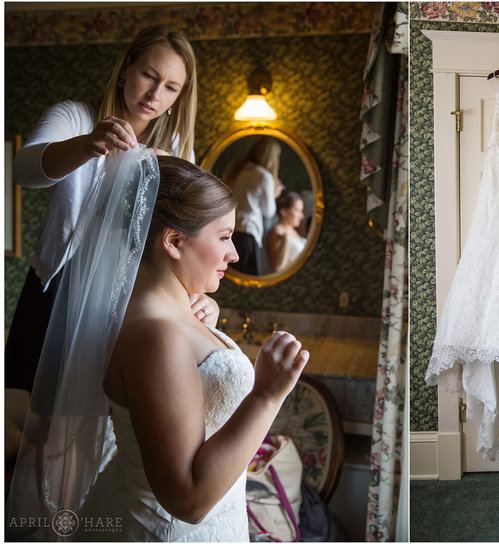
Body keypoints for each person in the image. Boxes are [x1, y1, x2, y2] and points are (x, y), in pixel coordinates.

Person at [6, 150, 308, 541]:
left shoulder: (166, 315)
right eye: (224, 237)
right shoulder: (156, 336)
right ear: (175, 241)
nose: (234, 254)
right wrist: (267, 396)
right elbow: (189, 499)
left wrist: (205, 323)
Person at [5, 25, 214, 396]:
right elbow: (22, 170)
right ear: (125, 68)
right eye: (149, 75)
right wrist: (87, 144)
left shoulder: (177, 148)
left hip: (125, 303)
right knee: (23, 423)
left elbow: (183, 235)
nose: (155, 94)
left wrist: (195, 296)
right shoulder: (75, 118)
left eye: (171, 87)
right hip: (55, 294)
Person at [223, 136, 283, 275]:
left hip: (228, 230)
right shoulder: (263, 176)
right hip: (248, 232)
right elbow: (269, 211)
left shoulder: (235, 169)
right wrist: (275, 194)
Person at [266, 191, 307, 273]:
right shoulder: (277, 231)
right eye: (297, 210)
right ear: (284, 212)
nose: (302, 216)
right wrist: (285, 240)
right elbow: (277, 266)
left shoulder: (296, 231)